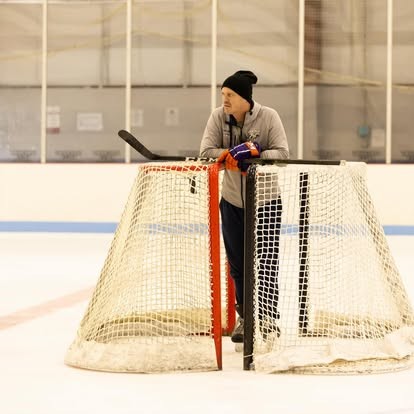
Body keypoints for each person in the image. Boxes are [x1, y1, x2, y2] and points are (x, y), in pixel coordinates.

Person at [199, 70, 289, 343]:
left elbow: (283, 153)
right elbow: (206, 152)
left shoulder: (269, 116)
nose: (224, 100)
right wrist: (230, 154)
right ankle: (245, 317)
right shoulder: (218, 117)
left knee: (267, 262)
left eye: (230, 95)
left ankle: (268, 318)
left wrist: (255, 153)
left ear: (244, 98)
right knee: (238, 265)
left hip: (266, 202)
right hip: (232, 201)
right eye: (223, 94)